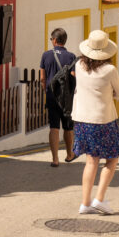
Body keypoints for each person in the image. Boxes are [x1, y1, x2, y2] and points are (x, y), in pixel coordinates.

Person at [71, 30, 119, 214]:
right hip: (103, 120)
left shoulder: (79, 65)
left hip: (82, 120)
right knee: (112, 158)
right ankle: (99, 199)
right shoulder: (110, 70)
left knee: (91, 161)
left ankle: (85, 203)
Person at [40, 28, 77, 167]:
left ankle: (55, 159)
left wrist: (46, 91)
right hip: (66, 98)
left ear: (54, 40)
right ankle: (69, 154)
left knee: (54, 127)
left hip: (52, 96)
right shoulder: (71, 56)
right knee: (68, 127)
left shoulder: (46, 55)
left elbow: (42, 78)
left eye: (51, 39)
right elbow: (73, 77)